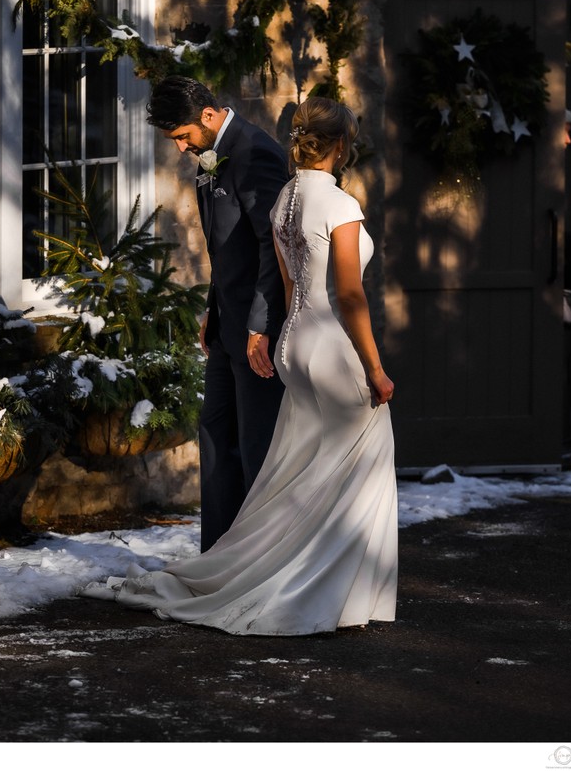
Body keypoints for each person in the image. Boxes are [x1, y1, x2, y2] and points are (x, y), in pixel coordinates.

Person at [84, 97, 398, 635]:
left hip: (294, 343)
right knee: (357, 465)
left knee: (297, 469)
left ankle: (272, 569)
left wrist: (277, 335)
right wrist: (374, 366)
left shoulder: (285, 201)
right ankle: (336, 592)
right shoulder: (341, 205)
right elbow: (348, 294)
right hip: (330, 344)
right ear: (341, 146)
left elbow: (294, 286)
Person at [145, 76, 288, 551]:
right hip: (226, 324)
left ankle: (257, 558)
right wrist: (213, 307)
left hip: (259, 332)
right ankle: (218, 555)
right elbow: (228, 249)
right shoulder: (211, 156)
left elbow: (274, 248)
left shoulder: (256, 153)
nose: (182, 147)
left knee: (255, 445)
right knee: (214, 431)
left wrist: (261, 325)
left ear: (208, 115)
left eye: (183, 136)